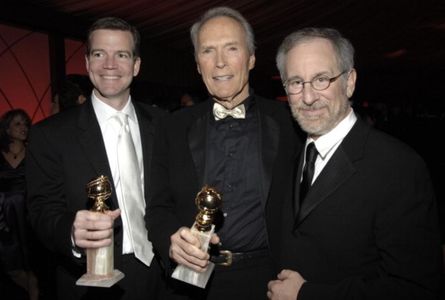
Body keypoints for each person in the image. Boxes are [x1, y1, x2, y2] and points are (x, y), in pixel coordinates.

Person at [267, 27, 442, 300]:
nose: (309, 97)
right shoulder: (290, 154)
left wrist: (307, 295)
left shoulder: (399, 167)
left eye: (322, 79)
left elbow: (416, 289)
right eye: (296, 82)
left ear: (349, 82)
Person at [147, 6, 299, 299]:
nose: (219, 63)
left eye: (231, 48)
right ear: (197, 64)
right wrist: (170, 240)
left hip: (267, 282)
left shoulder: (289, 123)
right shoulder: (172, 126)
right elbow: (157, 207)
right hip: (188, 283)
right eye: (207, 51)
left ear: (251, 58)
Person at [26, 17, 166, 300]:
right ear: (87, 62)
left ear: (136, 65)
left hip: (161, 276)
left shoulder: (164, 124)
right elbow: (41, 211)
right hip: (89, 283)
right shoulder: (49, 135)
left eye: (122, 55)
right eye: (100, 54)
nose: (110, 65)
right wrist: (72, 233)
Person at [0, 109, 39, 300]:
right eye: (17, 124)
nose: (23, 127)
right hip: (4, 218)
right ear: (7, 129)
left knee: (34, 266)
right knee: (11, 266)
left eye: (25, 123)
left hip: (29, 215)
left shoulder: (35, 151)